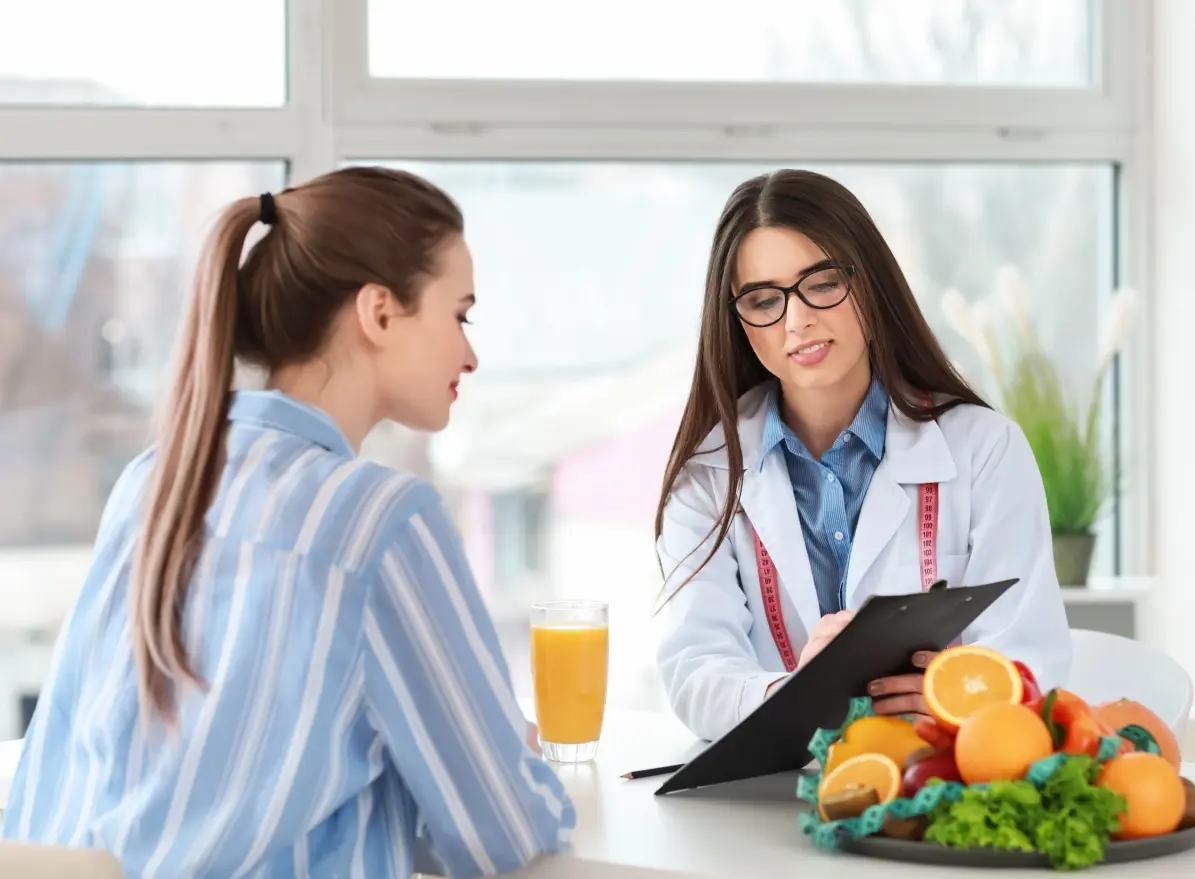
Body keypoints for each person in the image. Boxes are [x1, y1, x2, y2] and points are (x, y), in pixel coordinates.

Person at [1, 167, 574, 878]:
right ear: (379, 311)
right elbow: (501, 833)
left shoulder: (152, 478)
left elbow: (56, 769)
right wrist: (504, 749)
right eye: (459, 314)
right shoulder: (380, 521)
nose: (470, 353)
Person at [652, 169, 1072, 743]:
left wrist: (957, 695)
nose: (797, 321)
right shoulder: (708, 476)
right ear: (738, 321)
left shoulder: (985, 450)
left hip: (938, 790)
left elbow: (1033, 652)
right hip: (772, 798)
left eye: (821, 284)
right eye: (763, 299)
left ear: (868, 282)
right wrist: (802, 693)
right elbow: (695, 672)